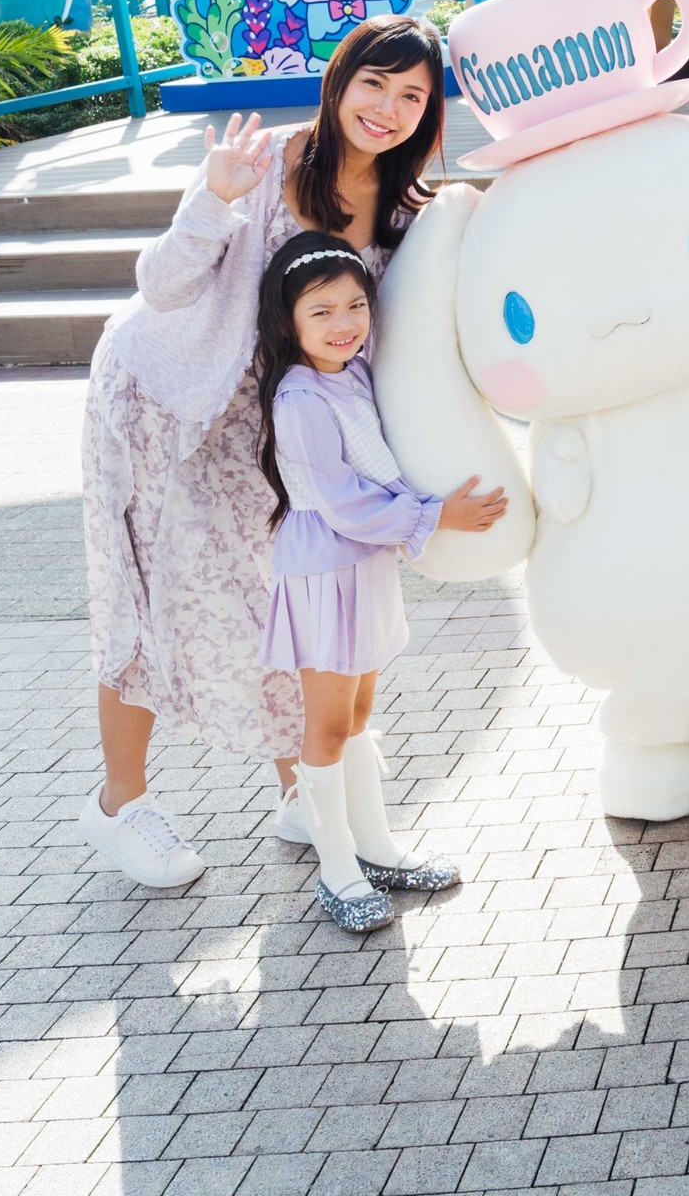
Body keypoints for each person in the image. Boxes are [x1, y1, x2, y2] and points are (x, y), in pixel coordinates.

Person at [75, 15, 447, 890]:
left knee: (291, 606)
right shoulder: (265, 159)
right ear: (340, 80)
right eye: (374, 82)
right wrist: (211, 202)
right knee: (148, 606)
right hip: (163, 407)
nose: (387, 108)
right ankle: (120, 804)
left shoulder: (402, 210)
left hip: (274, 434)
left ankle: (300, 794)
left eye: (411, 95)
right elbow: (161, 286)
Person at [253, 233, 505, 931]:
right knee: (329, 722)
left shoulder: (353, 374)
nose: (344, 323)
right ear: (288, 321)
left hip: (362, 563)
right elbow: (343, 503)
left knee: (359, 714)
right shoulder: (300, 398)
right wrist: (438, 515)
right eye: (322, 311)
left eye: (355, 305)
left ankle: (377, 849)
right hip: (325, 567)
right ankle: (337, 871)